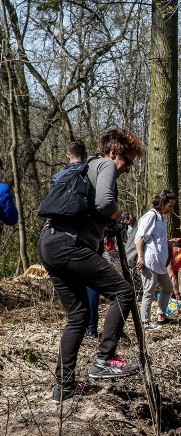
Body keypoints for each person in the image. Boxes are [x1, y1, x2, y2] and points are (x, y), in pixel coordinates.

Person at [38, 129, 143, 402]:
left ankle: (64, 385)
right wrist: (122, 218)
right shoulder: (105, 164)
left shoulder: (86, 170)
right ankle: (105, 358)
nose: (128, 169)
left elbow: (92, 210)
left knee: (78, 315)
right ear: (112, 153)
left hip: (50, 244)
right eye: (127, 161)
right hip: (69, 246)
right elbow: (106, 202)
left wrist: (108, 225)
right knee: (124, 292)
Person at [135, 190, 178, 330]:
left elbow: (159, 240)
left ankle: (161, 314)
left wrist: (171, 245)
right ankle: (145, 322)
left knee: (167, 287)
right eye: (169, 205)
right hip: (149, 260)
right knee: (149, 291)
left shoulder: (161, 218)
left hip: (159, 262)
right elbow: (140, 237)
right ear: (162, 202)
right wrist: (140, 256)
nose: (171, 208)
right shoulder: (150, 216)